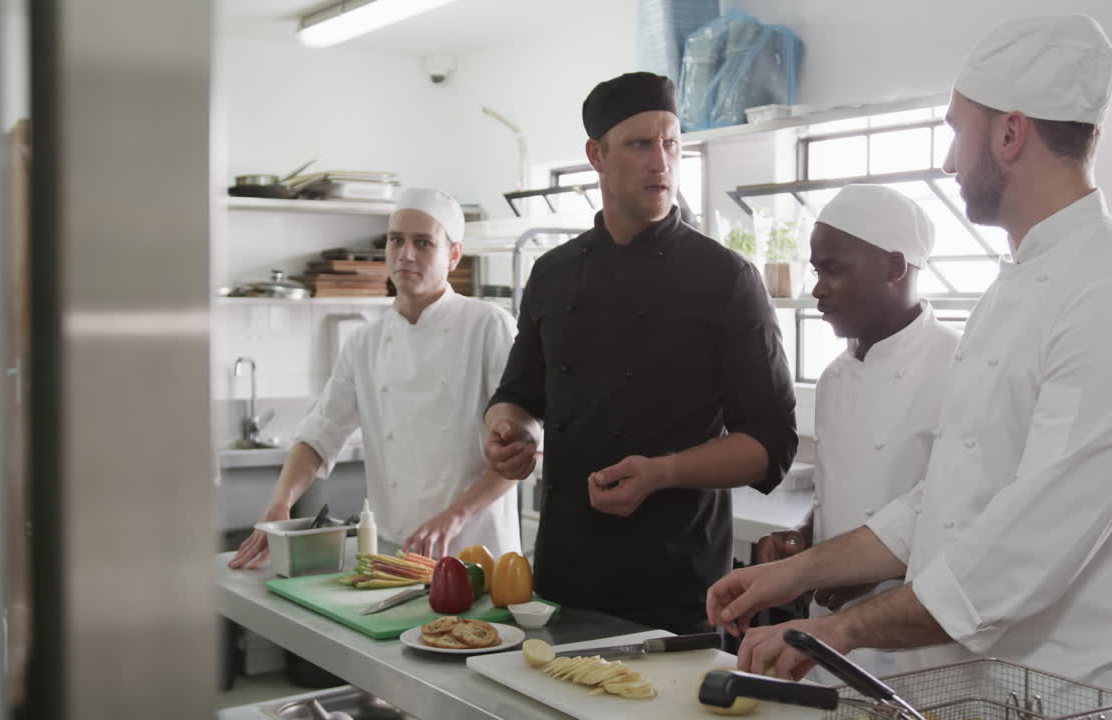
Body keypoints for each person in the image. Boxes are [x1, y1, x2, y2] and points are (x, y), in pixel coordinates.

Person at [706, 16, 1112, 716]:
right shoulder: (1012, 287)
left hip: (1068, 699)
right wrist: (795, 573)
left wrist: (839, 632)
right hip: (977, 691)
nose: (950, 163)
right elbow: (942, 505)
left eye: (957, 131)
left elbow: (1027, 546)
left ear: (1011, 134)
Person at [483, 71, 798, 635]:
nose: (661, 162)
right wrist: (508, 432)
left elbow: (771, 444)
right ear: (595, 156)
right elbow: (518, 396)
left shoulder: (725, 279)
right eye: (639, 144)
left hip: (678, 582)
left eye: (671, 142)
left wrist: (663, 472)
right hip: (564, 573)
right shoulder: (552, 275)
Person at [230, 188, 522, 568]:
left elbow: (521, 453)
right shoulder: (365, 342)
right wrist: (280, 502)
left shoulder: (489, 326)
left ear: (453, 255)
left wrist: (455, 516)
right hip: (396, 552)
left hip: (476, 550)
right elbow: (320, 433)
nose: (405, 254)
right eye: (396, 240)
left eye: (423, 243)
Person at [754, 184, 960, 679]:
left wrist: (854, 572)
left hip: (914, 651)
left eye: (833, 268)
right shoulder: (833, 379)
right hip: (823, 642)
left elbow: (960, 522)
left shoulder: (962, 367)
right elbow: (839, 495)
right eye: (816, 269)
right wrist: (803, 542)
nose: (818, 287)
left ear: (895, 268)